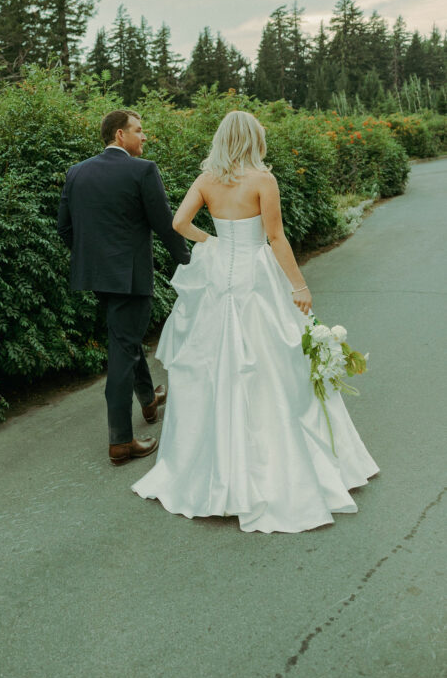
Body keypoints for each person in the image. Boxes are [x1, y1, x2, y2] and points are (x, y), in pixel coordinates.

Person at [131, 110, 379, 532]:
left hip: (219, 276)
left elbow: (178, 223)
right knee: (271, 362)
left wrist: (211, 241)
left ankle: (214, 472)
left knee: (216, 365)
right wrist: (299, 286)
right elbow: (276, 237)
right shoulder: (263, 181)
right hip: (255, 276)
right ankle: (276, 462)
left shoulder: (208, 180)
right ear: (253, 139)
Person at [57, 109, 191, 464]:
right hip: (131, 279)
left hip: (99, 277)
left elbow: (65, 229)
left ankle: (148, 400)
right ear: (120, 135)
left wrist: (96, 261)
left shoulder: (77, 172)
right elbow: (165, 224)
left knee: (124, 336)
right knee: (122, 349)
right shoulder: (142, 170)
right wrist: (191, 264)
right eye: (139, 130)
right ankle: (120, 440)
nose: (144, 136)